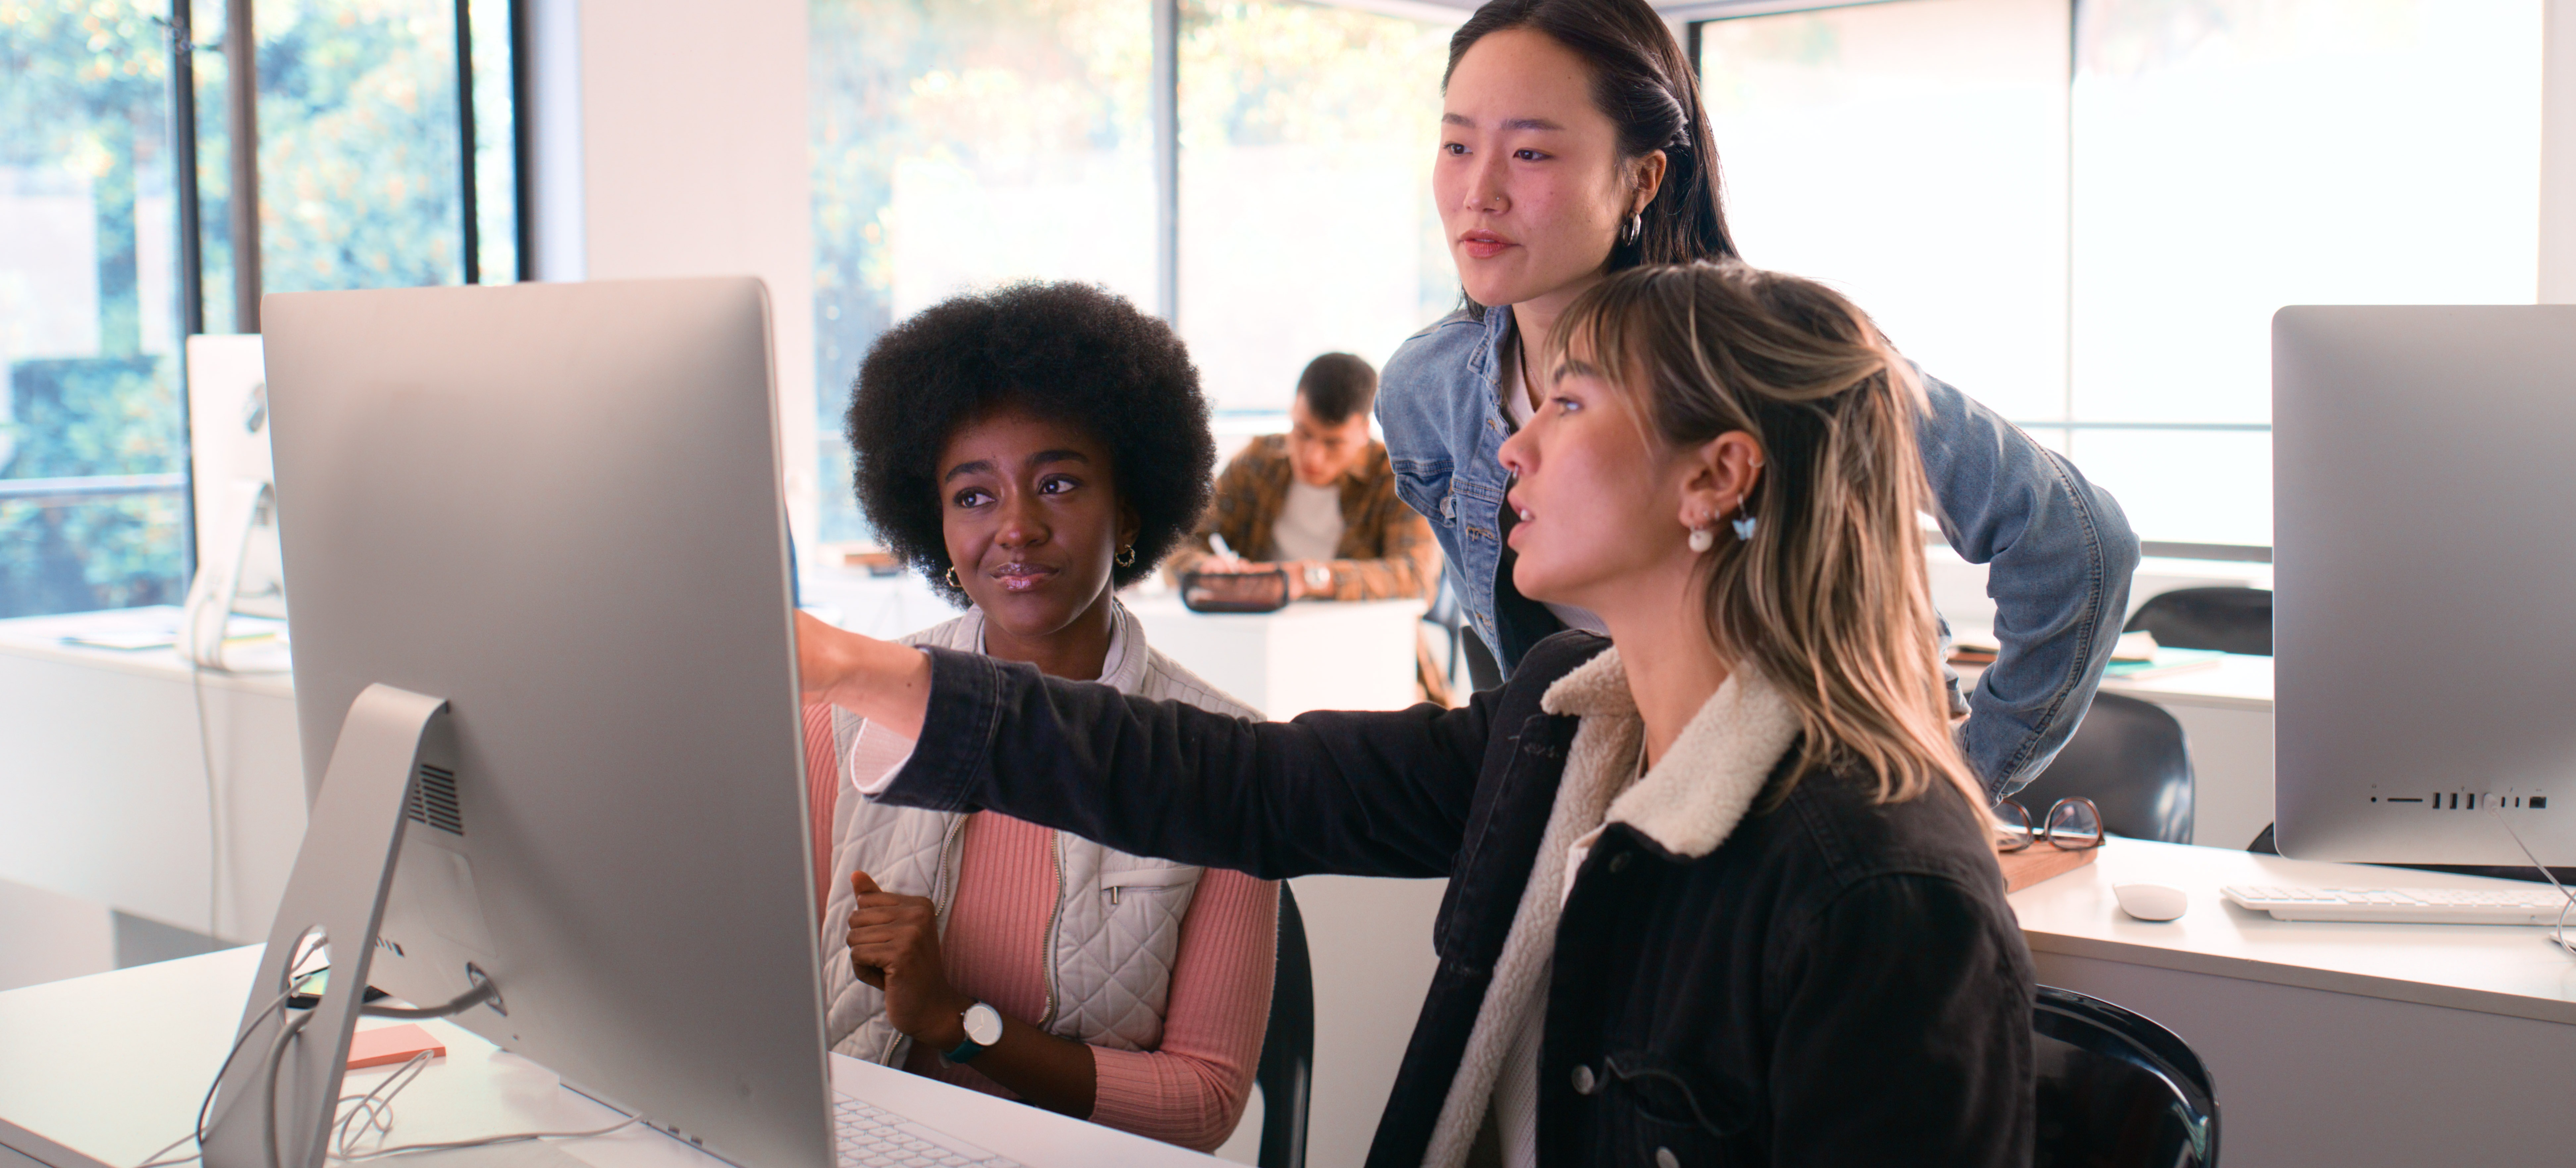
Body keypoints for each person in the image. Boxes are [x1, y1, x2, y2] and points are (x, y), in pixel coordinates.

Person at [799, 260, 2037, 1167]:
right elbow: (1237, 783)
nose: (1509, 449)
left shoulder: (1879, 893)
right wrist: (855, 670)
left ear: (1711, 476)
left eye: (1566, 404)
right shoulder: (1556, 733)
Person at [1377, 0, 2138, 798]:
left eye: (1529, 152)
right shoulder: (1426, 391)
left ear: (1641, 176)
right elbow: (1516, 655)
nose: (1478, 192)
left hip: (1823, 812)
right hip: (1612, 810)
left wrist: (1964, 779)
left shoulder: (1767, 357)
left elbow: (2077, 544)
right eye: (1456, 145)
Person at [804, 280, 1276, 1154]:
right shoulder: (843, 719)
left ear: (1128, 506)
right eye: (974, 495)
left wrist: (958, 1023)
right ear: (934, 522)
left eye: (1056, 483)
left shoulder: (1224, 761)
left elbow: (1206, 1100)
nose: (1016, 527)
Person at [1167, 351, 1453, 703]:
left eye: (1333, 443)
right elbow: (1179, 541)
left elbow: (1416, 578)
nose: (1312, 456)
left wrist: (1308, 578)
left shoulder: (1396, 478)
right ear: (1292, 413)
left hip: (1365, 660)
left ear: (1364, 432)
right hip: (1262, 653)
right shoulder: (1260, 462)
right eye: (1302, 433)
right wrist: (1205, 570)